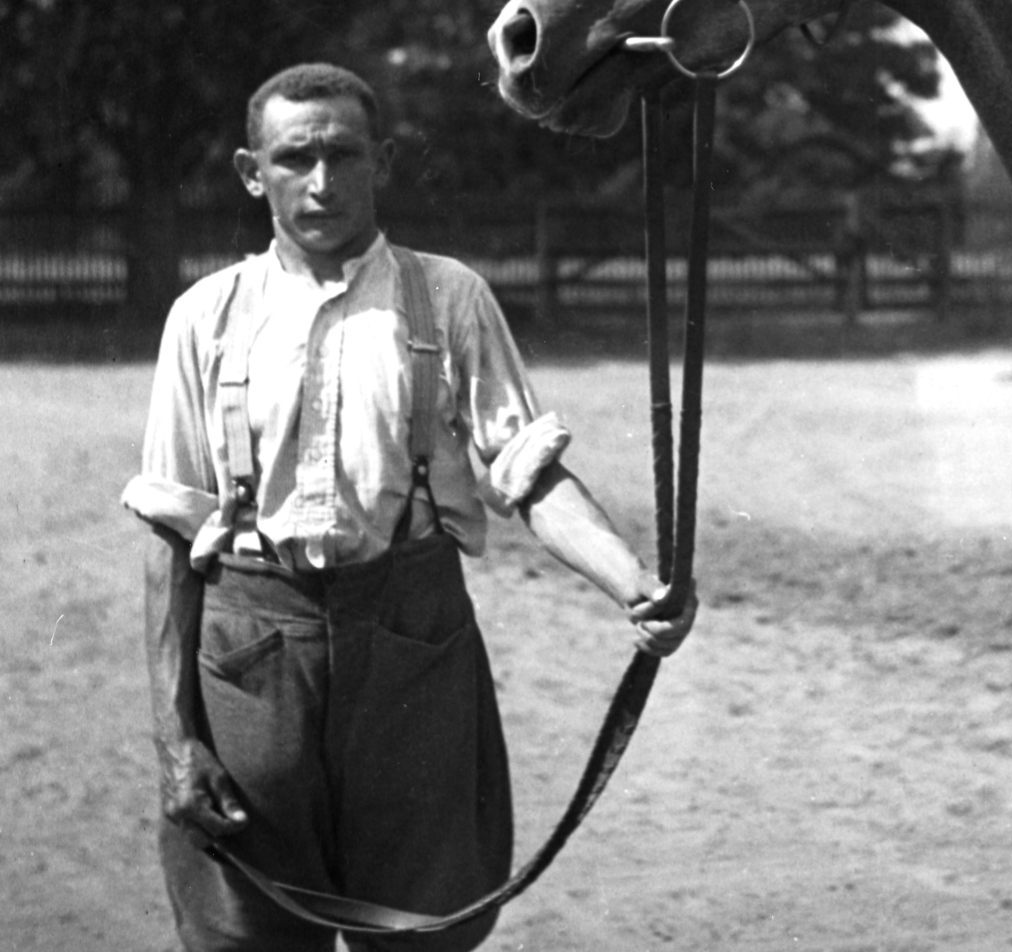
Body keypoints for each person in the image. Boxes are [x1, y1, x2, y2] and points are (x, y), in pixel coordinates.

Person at [122, 62, 696, 952]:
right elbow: (170, 532)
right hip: (248, 666)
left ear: (382, 160)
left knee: (424, 932)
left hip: (413, 655)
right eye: (294, 158)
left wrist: (634, 584)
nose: (322, 182)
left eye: (344, 154)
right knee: (245, 937)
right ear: (251, 171)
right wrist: (174, 738)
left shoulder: (448, 295)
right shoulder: (205, 316)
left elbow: (528, 472)